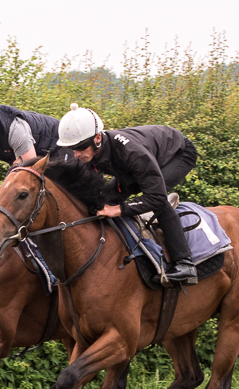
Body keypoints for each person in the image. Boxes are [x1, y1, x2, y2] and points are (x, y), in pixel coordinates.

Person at [56, 103, 199, 284]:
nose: (76, 154)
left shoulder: (132, 153)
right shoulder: (92, 152)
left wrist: (119, 210)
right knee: (107, 198)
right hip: (135, 163)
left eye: (81, 147)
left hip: (177, 154)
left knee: (158, 201)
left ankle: (185, 264)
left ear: (97, 138)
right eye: (72, 149)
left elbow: (156, 196)